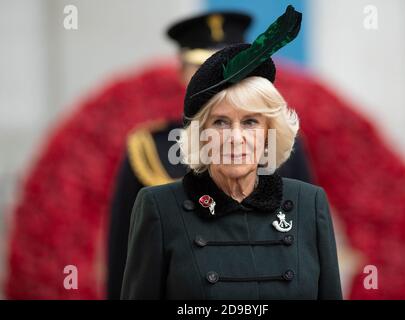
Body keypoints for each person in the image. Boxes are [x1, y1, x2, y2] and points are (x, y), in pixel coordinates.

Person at [120, 6, 342, 300]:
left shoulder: (309, 205)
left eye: (250, 121)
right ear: (201, 134)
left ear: (268, 132)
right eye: (220, 122)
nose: (235, 139)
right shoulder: (159, 208)